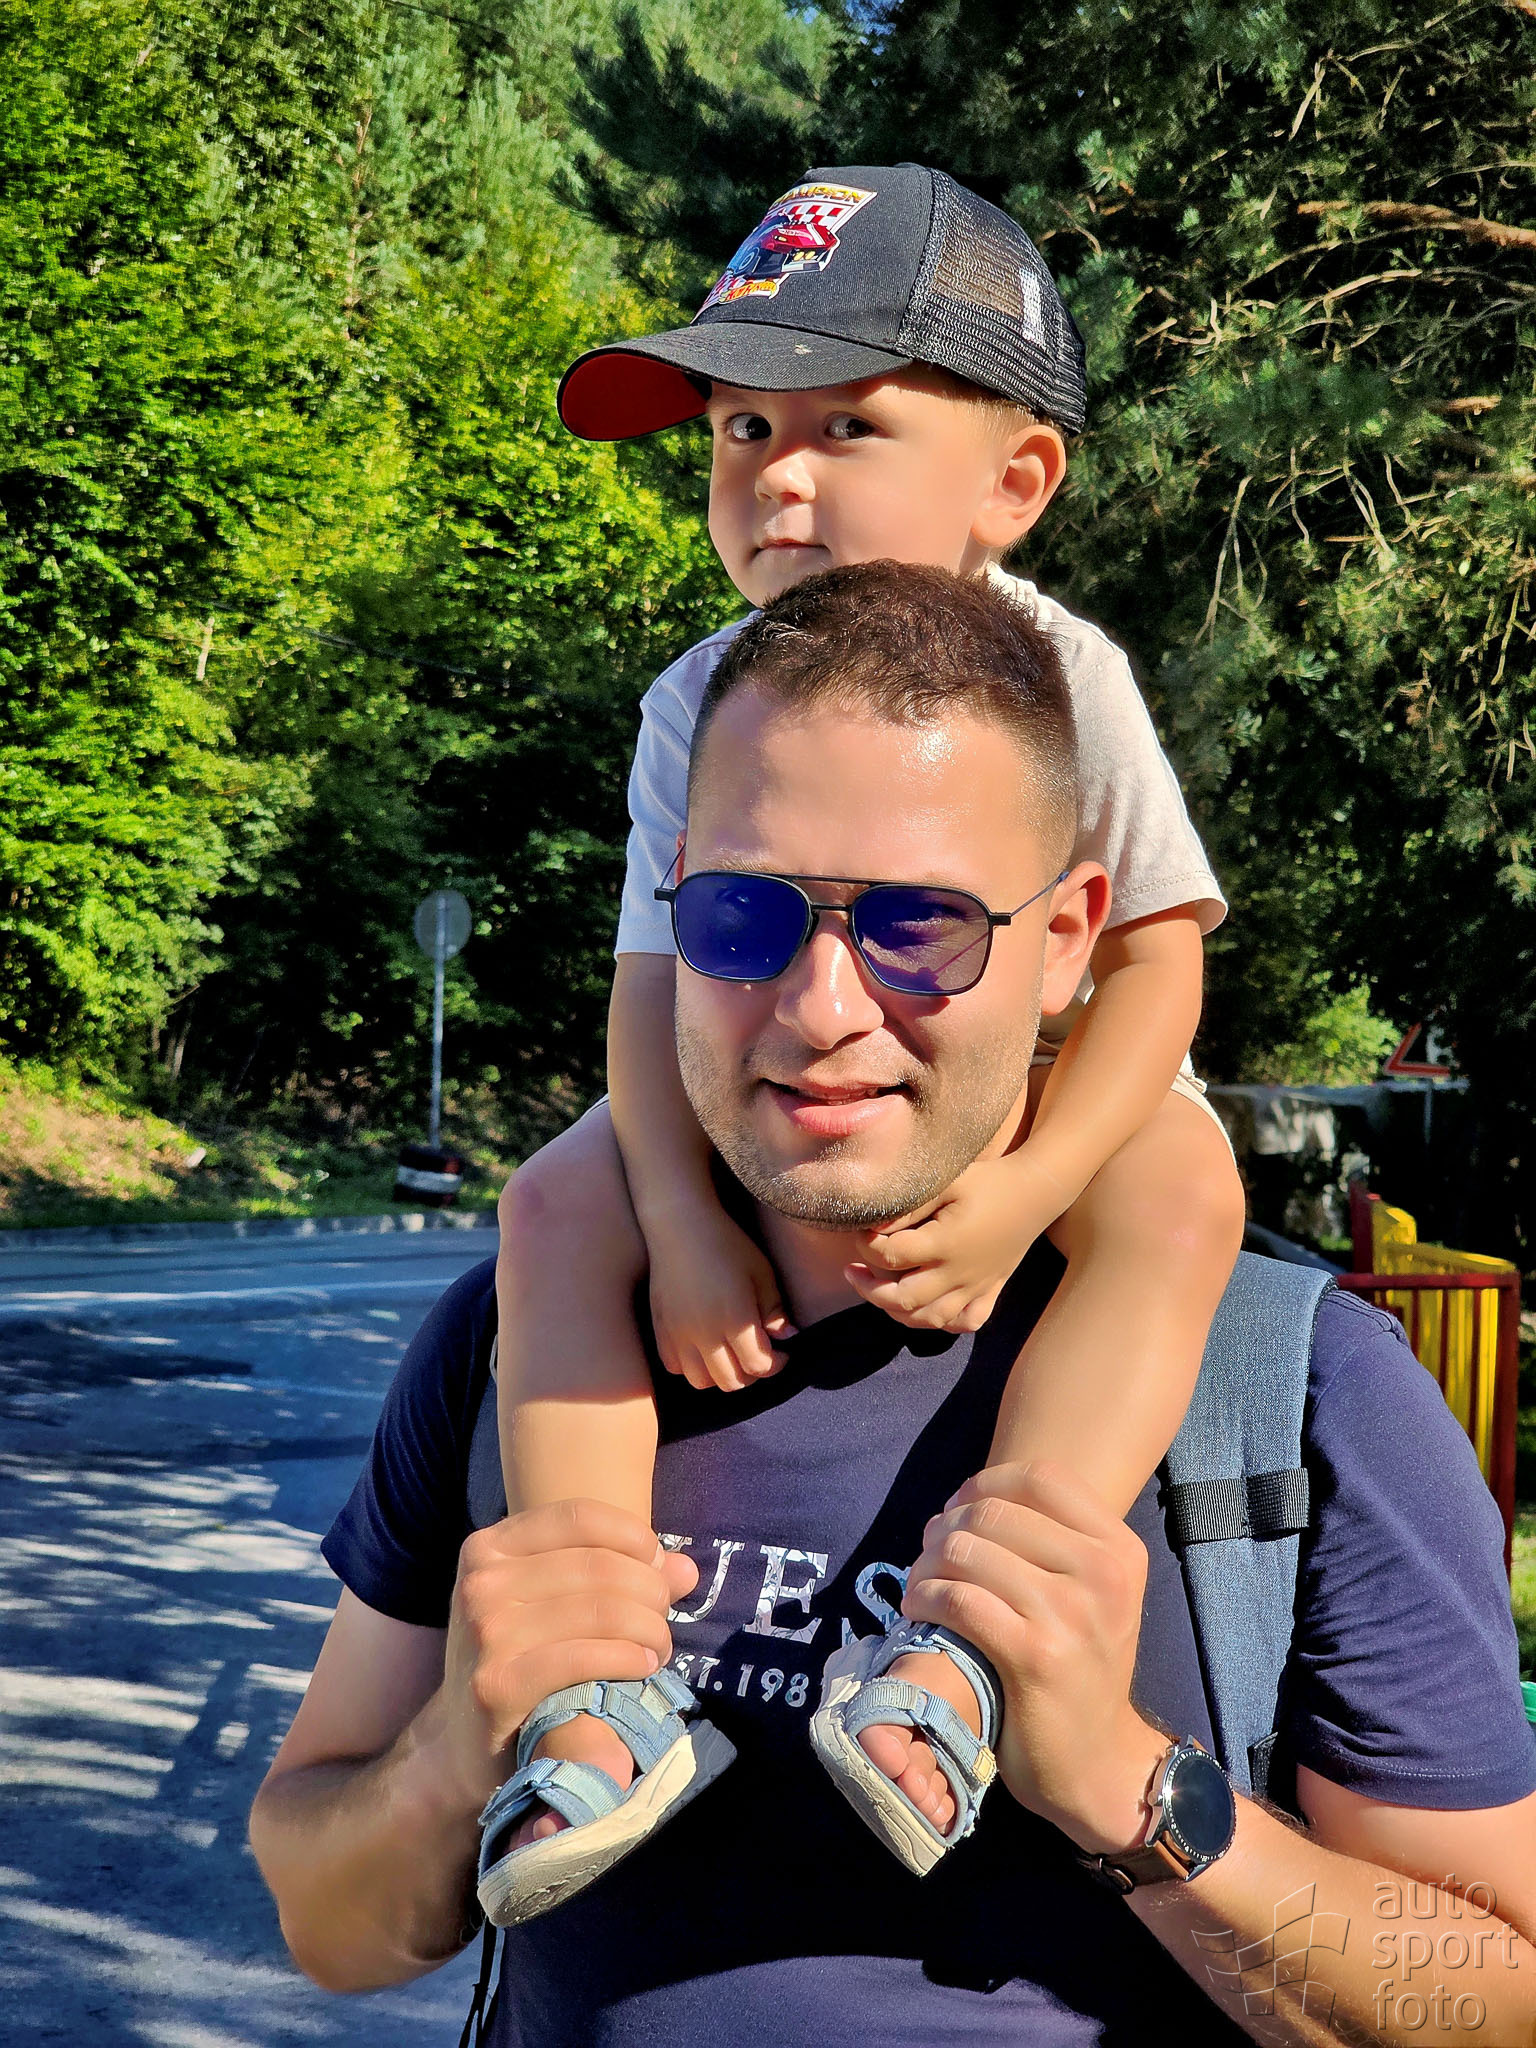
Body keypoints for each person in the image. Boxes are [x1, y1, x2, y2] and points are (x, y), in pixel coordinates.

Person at [250, 566, 1536, 2045]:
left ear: (1070, 939)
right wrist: (450, 1754)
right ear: (675, 900)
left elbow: (1493, 2007)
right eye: (744, 914)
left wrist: (1127, 1789)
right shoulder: (521, 1343)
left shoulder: (1296, 1392)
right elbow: (331, 1931)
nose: (821, 1010)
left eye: (922, 923)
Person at [490, 162, 1247, 1891]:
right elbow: (654, 978)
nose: (778, 475)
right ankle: (596, 1680)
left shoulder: (1064, 678)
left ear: (1014, 481)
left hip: (1045, 1077)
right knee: (552, 1205)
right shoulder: (699, 695)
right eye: (742, 430)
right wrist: (680, 1219)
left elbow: (1153, 964)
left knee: (1183, 1192)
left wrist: (1028, 1189)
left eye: (845, 425)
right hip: (771, 1078)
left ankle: (967, 1646)